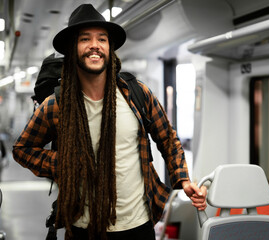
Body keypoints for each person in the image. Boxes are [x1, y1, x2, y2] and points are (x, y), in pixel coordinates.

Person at [12, 3, 206, 240]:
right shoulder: (57, 104)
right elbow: (22, 149)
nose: (95, 45)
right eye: (85, 39)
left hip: (139, 225)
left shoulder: (136, 93)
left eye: (102, 39)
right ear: (73, 49)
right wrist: (64, 163)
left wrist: (182, 180)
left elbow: (168, 139)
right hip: (83, 229)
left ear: (109, 48)